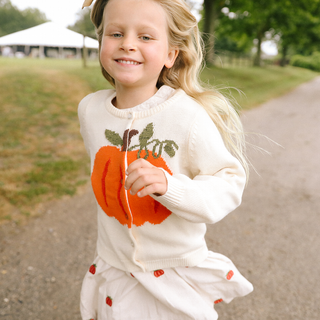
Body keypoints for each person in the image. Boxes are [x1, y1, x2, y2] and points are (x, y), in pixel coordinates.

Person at [78, 0, 253, 319]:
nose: (128, 44)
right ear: (101, 41)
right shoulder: (90, 110)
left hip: (172, 270)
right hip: (114, 265)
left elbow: (229, 183)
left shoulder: (187, 117)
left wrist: (171, 186)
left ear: (171, 54)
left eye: (145, 37)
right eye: (116, 33)